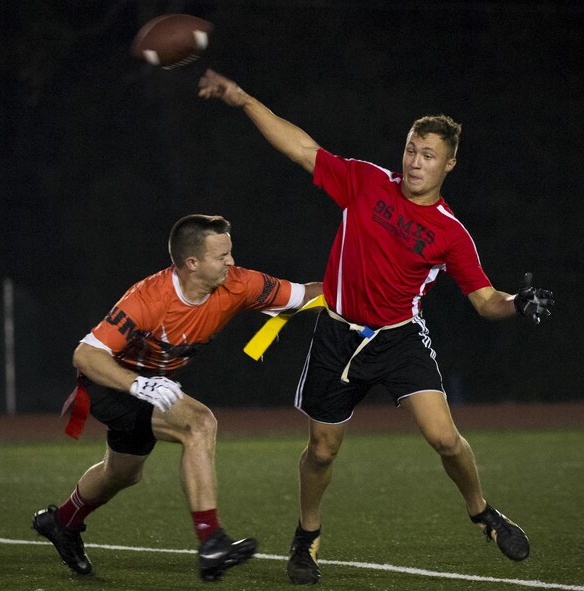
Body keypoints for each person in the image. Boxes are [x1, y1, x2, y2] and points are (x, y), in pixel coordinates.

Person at [198, 69, 554, 584]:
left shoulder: (450, 234)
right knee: (321, 450)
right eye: (411, 149)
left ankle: (482, 512)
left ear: (448, 164)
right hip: (337, 334)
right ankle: (307, 537)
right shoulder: (365, 182)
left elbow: (484, 300)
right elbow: (302, 148)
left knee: (446, 439)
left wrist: (518, 303)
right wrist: (243, 98)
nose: (414, 161)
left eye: (427, 155)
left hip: (398, 337)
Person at [32, 214, 322, 582]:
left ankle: (63, 523)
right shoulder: (149, 298)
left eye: (230, 253)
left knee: (122, 473)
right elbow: (86, 356)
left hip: (154, 386)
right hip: (111, 384)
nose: (231, 262)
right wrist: (138, 384)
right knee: (199, 423)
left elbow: (306, 295)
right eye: (222, 256)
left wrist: (361, 294)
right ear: (191, 264)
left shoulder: (238, 283)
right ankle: (211, 539)